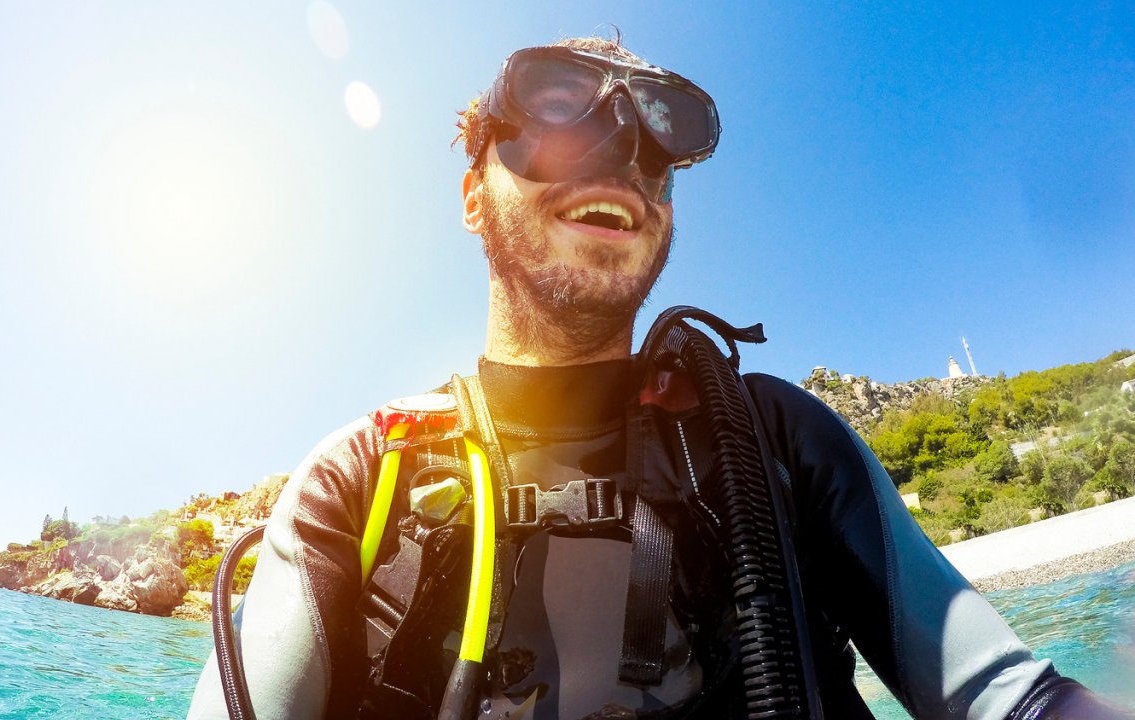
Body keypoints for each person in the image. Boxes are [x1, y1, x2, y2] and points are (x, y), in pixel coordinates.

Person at [187, 36, 1132, 720]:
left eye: (655, 147)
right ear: (474, 193)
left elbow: (1014, 699)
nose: (624, 162)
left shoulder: (778, 443)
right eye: (560, 112)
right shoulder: (359, 481)